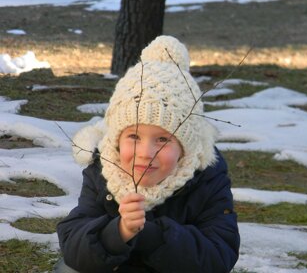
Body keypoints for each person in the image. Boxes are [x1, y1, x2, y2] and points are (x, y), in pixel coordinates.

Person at [56, 35, 240, 273]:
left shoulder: (207, 179)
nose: (146, 153)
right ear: (117, 139)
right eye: (134, 137)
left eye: (163, 139)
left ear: (186, 147)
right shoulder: (104, 171)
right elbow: (73, 246)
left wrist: (152, 235)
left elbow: (219, 255)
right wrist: (118, 232)